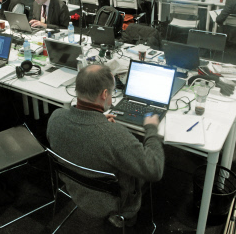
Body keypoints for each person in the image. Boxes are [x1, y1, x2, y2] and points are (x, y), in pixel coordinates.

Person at [46, 64, 164, 225]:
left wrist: (101, 122)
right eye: (112, 93)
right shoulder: (115, 136)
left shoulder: (55, 117)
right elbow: (155, 170)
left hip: (74, 189)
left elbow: (84, 137)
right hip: (112, 202)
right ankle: (127, 219)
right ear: (104, 94)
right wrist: (151, 129)